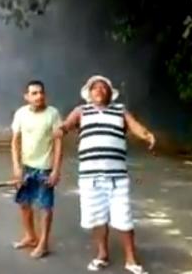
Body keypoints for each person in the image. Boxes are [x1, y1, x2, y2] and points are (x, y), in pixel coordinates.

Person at [55, 75, 155, 274]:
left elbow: (135, 126)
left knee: (124, 219)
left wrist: (147, 135)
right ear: (89, 93)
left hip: (117, 177)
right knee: (97, 218)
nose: (99, 90)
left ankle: (131, 259)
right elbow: (66, 125)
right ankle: (102, 254)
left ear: (110, 92)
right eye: (95, 88)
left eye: (103, 88)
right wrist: (61, 130)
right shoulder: (81, 110)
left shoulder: (120, 110)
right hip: (90, 177)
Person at [10, 80, 63, 258]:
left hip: (45, 168)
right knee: (24, 204)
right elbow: (15, 141)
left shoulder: (53, 114)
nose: (38, 96)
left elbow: (58, 143)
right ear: (26, 97)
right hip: (26, 167)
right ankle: (30, 236)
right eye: (34, 93)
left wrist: (56, 170)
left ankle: (43, 243)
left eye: (41, 92)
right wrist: (17, 167)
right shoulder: (20, 114)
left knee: (45, 206)